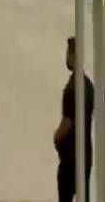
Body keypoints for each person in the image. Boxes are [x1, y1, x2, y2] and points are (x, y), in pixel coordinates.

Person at [54, 36, 94, 202]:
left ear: (72, 55)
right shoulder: (88, 85)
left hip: (70, 158)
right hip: (85, 155)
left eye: (68, 53)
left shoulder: (72, 89)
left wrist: (56, 137)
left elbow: (66, 124)